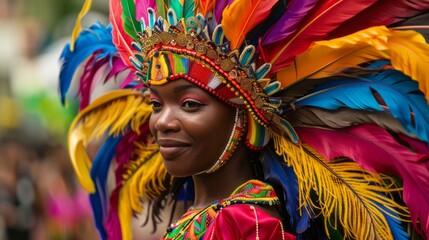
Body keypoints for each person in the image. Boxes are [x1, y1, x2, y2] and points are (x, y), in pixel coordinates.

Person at [59, 0, 429, 239]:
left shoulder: (246, 224)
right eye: (157, 105)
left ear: (245, 122)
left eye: (189, 105)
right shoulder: (210, 215)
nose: (162, 122)